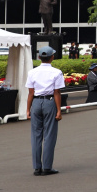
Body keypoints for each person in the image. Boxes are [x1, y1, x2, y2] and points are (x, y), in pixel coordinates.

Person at [26, 46, 63, 176]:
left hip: (36, 102)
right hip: (49, 102)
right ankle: (47, 167)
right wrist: (59, 110)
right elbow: (57, 92)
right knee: (49, 135)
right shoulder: (56, 72)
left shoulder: (32, 72)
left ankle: (37, 167)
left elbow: (30, 93)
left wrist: (28, 109)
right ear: (52, 57)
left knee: (36, 136)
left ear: (39, 57)